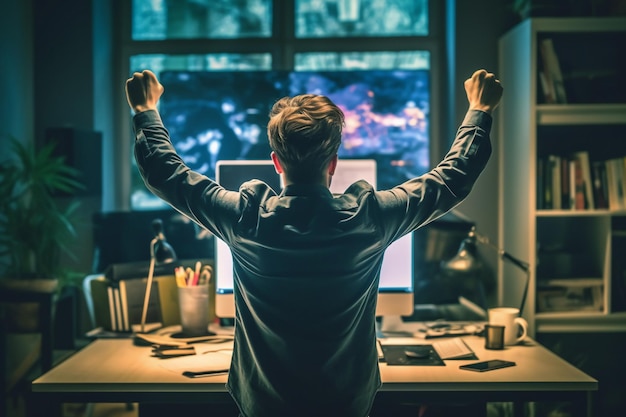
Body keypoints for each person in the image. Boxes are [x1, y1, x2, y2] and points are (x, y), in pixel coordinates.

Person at [125, 68, 503, 417]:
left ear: (275, 161)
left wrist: (145, 110)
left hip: (264, 408)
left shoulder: (245, 218)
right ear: (334, 163)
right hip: (345, 406)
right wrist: (479, 110)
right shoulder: (369, 219)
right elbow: (452, 178)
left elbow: (165, 173)